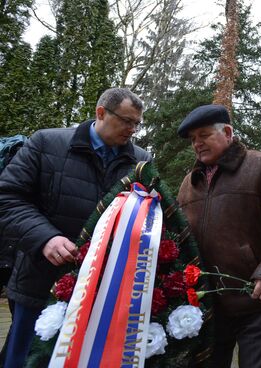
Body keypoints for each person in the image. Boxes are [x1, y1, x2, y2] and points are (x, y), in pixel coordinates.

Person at [0, 88, 151, 368]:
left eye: (137, 124)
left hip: (104, 292)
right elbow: (8, 197)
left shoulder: (141, 161)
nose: (132, 130)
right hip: (40, 283)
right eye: (127, 121)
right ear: (101, 113)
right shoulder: (46, 142)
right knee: (25, 359)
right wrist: (45, 238)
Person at [176, 104, 261, 368]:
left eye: (204, 135)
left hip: (257, 299)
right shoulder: (189, 184)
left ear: (227, 132)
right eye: (193, 139)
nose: (197, 144)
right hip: (208, 305)